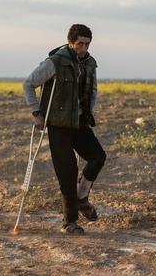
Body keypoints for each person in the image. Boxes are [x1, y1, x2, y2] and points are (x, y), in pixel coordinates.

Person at [22, 24, 106, 235]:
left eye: (87, 44)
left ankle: (82, 196)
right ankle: (69, 222)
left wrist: (88, 112)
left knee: (98, 156)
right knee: (67, 172)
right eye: (80, 44)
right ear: (70, 42)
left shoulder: (90, 63)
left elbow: (92, 91)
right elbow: (28, 84)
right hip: (58, 125)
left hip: (79, 123)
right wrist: (36, 113)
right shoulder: (55, 62)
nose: (83, 48)